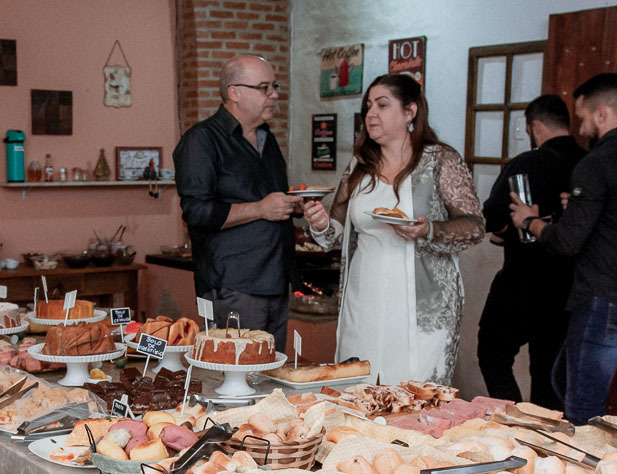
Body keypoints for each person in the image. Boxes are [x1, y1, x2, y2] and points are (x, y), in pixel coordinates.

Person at [509, 72, 617, 425]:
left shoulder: (596, 163)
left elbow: (566, 242)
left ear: (601, 114)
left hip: (603, 297)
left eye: (582, 118)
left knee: (582, 410)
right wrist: (579, 209)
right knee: (561, 379)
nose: (579, 130)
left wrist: (528, 221)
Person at [301, 73, 484, 384]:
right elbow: (336, 233)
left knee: (410, 392)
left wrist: (429, 231)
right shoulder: (359, 166)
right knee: (359, 383)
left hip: (421, 304)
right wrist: (320, 223)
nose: (371, 113)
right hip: (364, 296)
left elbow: (475, 226)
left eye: (382, 105)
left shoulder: (439, 160)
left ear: (410, 112)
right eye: (369, 105)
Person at [173, 55, 300, 350]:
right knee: (237, 378)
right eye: (264, 88)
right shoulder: (202, 140)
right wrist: (261, 208)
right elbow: (196, 211)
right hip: (234, 285)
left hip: (277, 280)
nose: (274, 95)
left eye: (274, 86)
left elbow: (270, 199)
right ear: (235, 92)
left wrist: (295, 205)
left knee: (271, 378)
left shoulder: (267, 139)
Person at [478, 94, 587, 409]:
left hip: (522, 281)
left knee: (493, 353)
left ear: (534, 126)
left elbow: (492, 217)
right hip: (570, 286)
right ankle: (543, 440)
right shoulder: (588, 163)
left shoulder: (526, 163)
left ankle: (513, 422)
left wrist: (509, 227)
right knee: (548, 371)